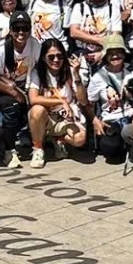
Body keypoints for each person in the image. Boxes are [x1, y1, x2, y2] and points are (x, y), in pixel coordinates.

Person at [0, 14, 41, 166]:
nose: (21, 33)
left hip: (22, 84)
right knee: (13, 107)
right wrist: (16, 94)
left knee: (34, 107)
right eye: (16, 28)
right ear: (10, 30)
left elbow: (38, 68)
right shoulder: (1, 50)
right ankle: (9, 151)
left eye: (25, 28)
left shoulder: (35, 45)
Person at [25, 38, 87, 168]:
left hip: (66, 118)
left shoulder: (70, 71)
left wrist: (76, 75)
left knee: (80, 139)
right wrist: (61, 101)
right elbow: (33, 99)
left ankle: (59, 140)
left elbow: (83, 100)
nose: (56, 60)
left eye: (59, 56)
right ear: (43, 58)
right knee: (37, 110)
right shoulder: (38, 73)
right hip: (47, 118)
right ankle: (38, 148)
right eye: (51, 57)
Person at [85, 36, 133, 162]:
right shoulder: (98, 77)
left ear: (124, 53)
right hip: (111, 119)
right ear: (105, 56)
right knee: (110, 148)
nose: (115, 56)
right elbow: (89, 102)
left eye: (118, 52)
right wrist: (95, 120)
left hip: (132, 117)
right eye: (111, 53)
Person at [66, 0, 119, 74]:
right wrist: (100, 40)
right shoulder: (79, 7)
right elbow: (74, 32)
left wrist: (103, 53)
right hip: (81, 56)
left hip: (105, 56)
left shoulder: (113, 9)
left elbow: (116, 35)